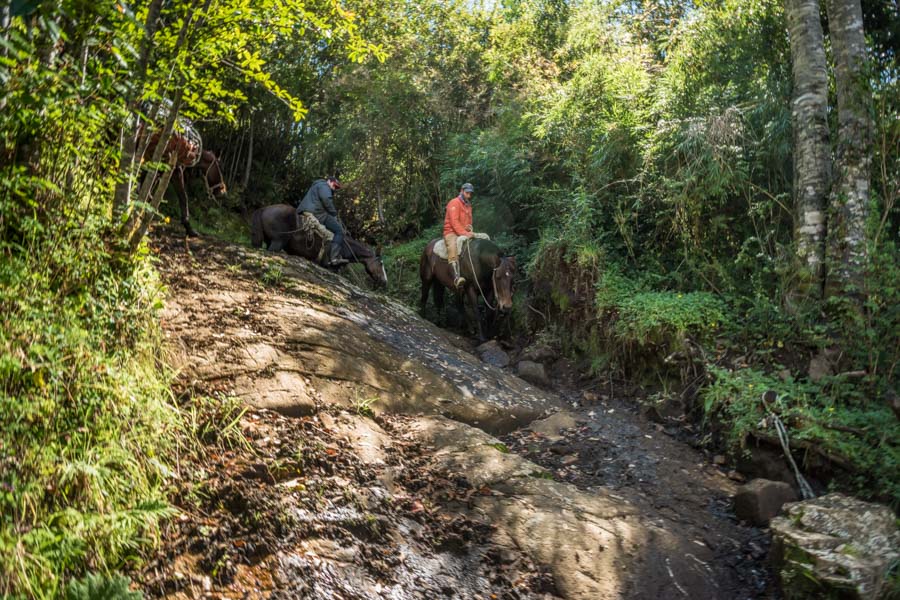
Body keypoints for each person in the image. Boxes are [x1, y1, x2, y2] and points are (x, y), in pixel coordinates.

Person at [297, 176, 348, 266]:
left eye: (336, 187)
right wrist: (334, 214)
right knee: (339, 231)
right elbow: (326, 200)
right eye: (334, 185)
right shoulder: (324, 186)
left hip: (313, 211)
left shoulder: (317, 185)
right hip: (316, 213)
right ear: (329, 181)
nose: (334, 188)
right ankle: (334, 258)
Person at [443, 182, 475, 289]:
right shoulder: (454, 203)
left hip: (463, 231)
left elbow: (469, 220)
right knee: (453, 247)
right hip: (451, 232)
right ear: (461, 191)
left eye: (470, 194)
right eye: (467, 193)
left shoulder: (468, 205)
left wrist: (469, 228)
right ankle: (456, 277)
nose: (469, 196)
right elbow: (454, 222)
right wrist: (465, 233)